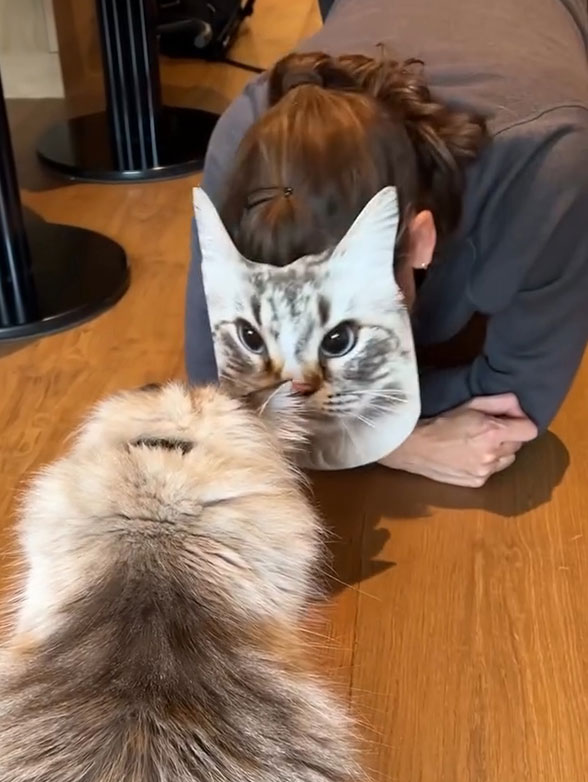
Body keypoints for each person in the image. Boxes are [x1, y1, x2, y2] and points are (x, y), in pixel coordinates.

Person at [184, 0, 588, 487]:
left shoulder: (549, 168)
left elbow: (514, 405)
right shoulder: (243, 138)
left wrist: (306, 425)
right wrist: (395, 444)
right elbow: (217, 392)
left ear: (420, 240)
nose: (299, 385)